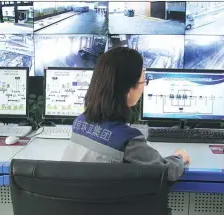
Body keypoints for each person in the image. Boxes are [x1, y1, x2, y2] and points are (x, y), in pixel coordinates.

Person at [61, 46, 190, 182]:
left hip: (77, 199)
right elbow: (165, 171)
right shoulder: (128, 141)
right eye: (143, 81)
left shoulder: (80, 121)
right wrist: (179, 157)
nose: (144, 86)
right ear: (128, 90)